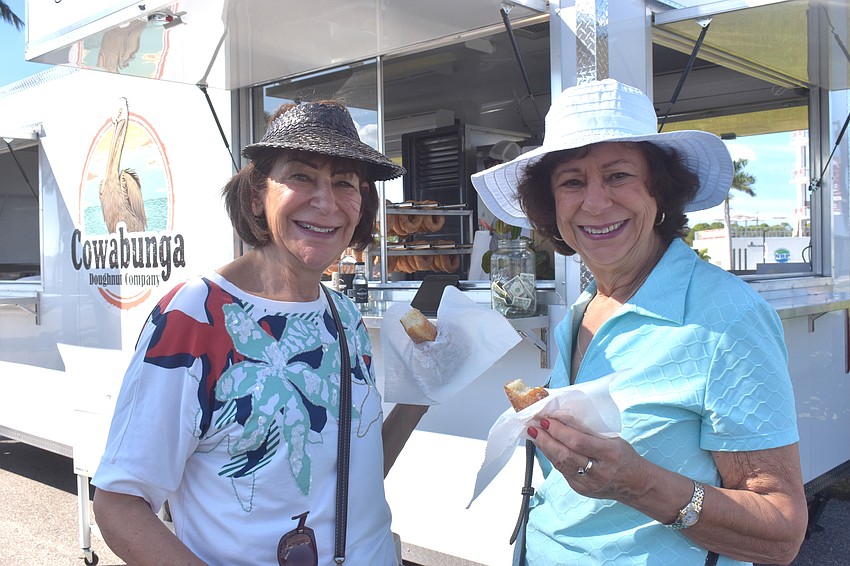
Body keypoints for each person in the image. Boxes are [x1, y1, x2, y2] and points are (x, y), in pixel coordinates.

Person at [471, 79, 808, 565]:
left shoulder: (727, 317)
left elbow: (780, 532)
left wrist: (641, 484)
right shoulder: (584, 309)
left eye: (618, 175)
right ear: (551, 205)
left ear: (660, 191)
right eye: (571, 181)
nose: (594, 202)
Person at [92, 100, 428, 565]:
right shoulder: (195, 315)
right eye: (301, 176)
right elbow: (118, 504)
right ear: (256, 195)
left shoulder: (344, 314)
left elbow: (351, 476)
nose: (326, 201)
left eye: (345, 183)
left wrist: (423, 392)